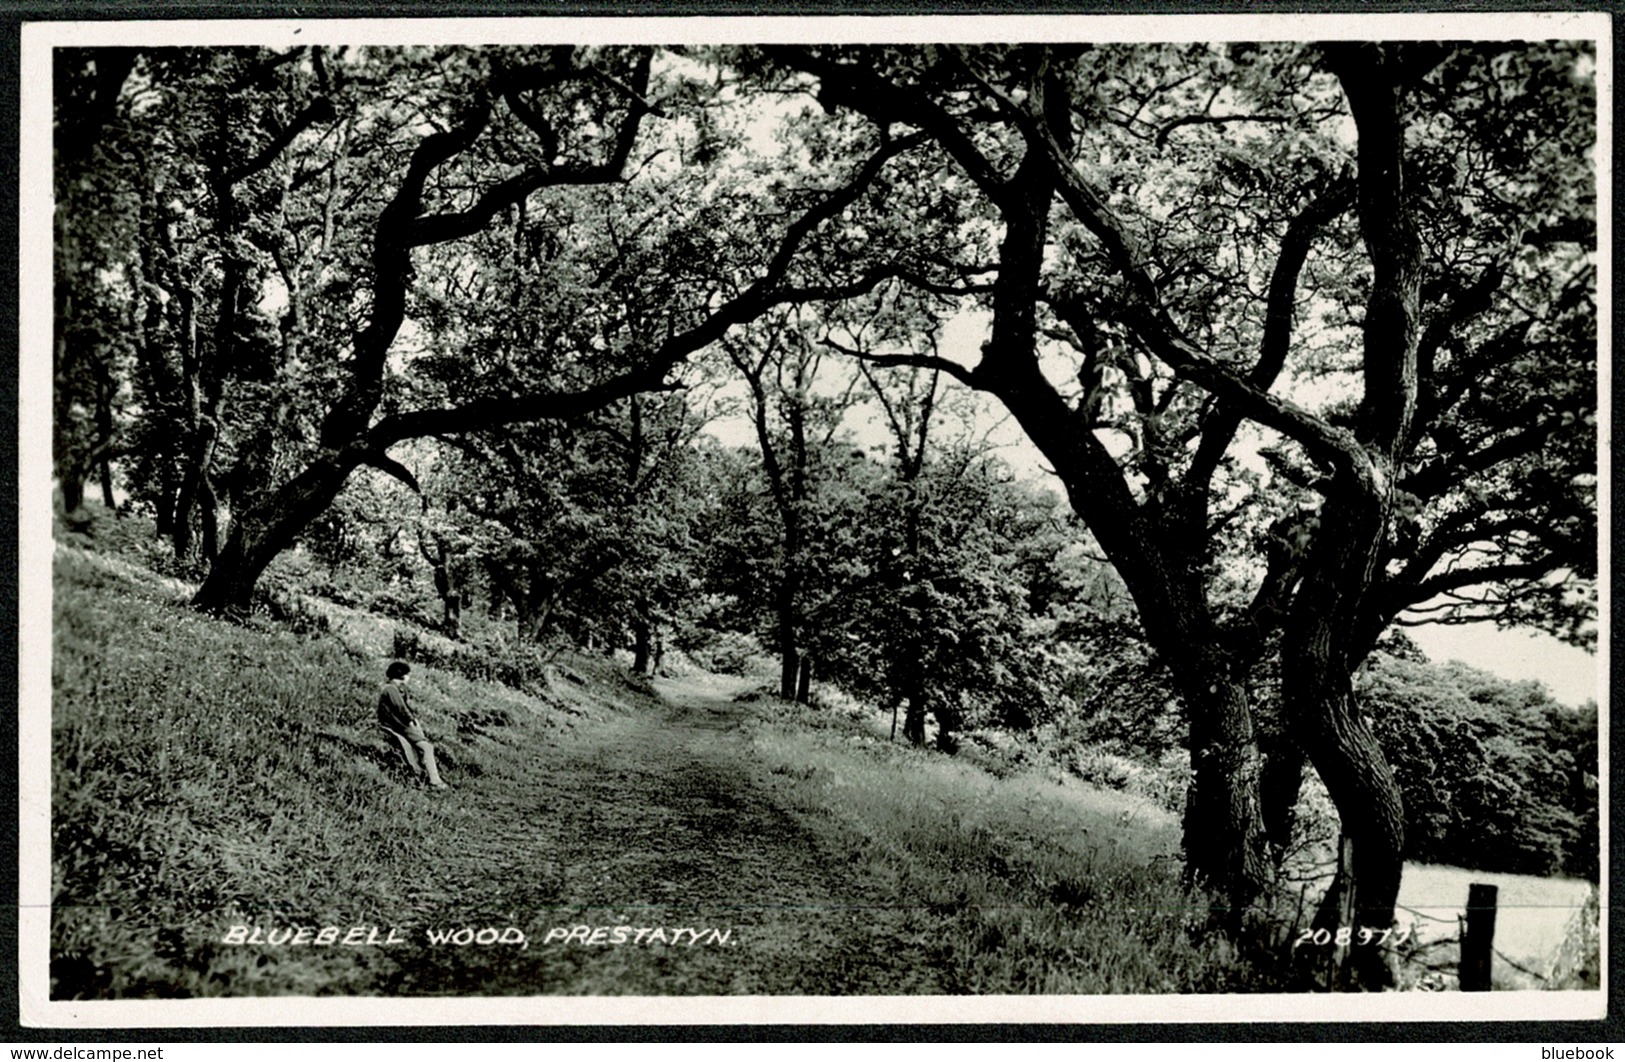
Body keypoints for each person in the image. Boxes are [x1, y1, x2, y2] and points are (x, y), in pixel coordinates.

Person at [377, 661, 448, 790]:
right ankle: (434, 780)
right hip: (396, 726)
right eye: (408, 675)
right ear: (402, 676)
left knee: (424, 746)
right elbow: (401, 708)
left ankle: (428, 776)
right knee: (426, 747)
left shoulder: (395, 689)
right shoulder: (391, 690)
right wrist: (411, 721)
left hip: (398, 724)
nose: (409, 678)